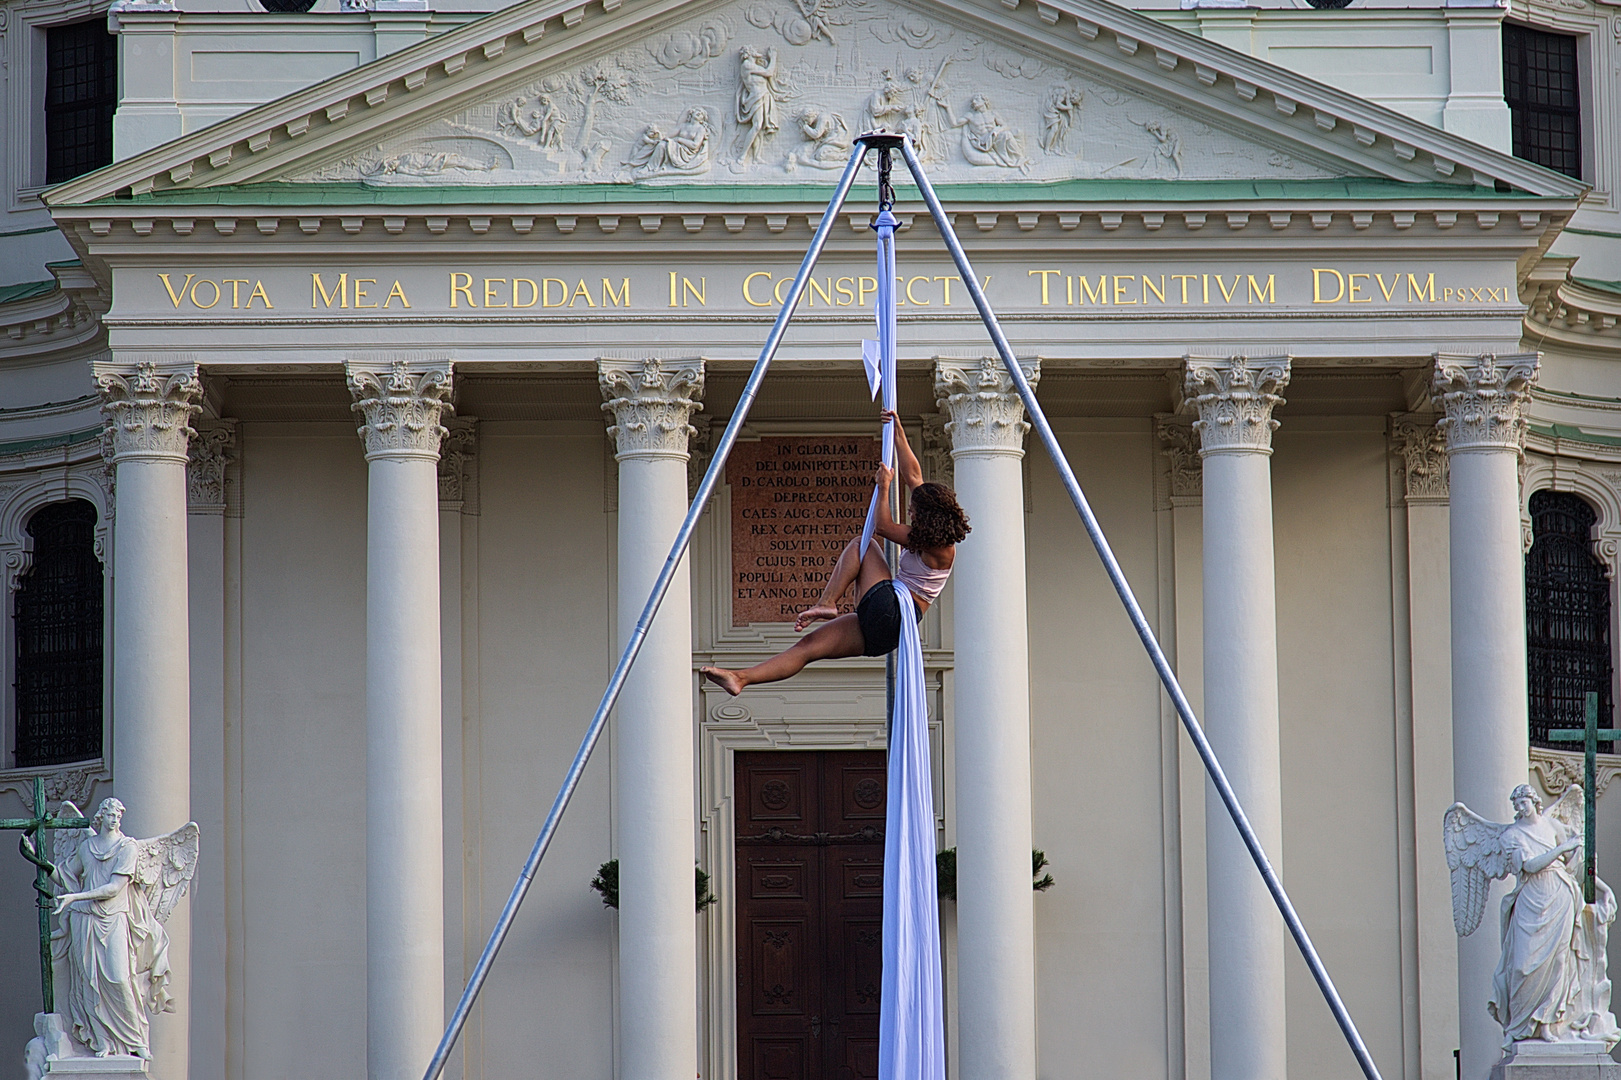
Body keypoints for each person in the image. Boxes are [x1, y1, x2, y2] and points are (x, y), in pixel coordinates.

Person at [701, 411, 969, 695]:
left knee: (861, 545)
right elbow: (913, 474)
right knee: (808, 647)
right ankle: (740, 678)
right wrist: (897, 428)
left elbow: (882, 525)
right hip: (888, 632)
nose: (911, 514)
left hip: (892, 609)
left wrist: (884, 486)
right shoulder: (933, 530)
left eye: (913, 512)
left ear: (929, 516)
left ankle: (828, 601)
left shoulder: (938, 545)